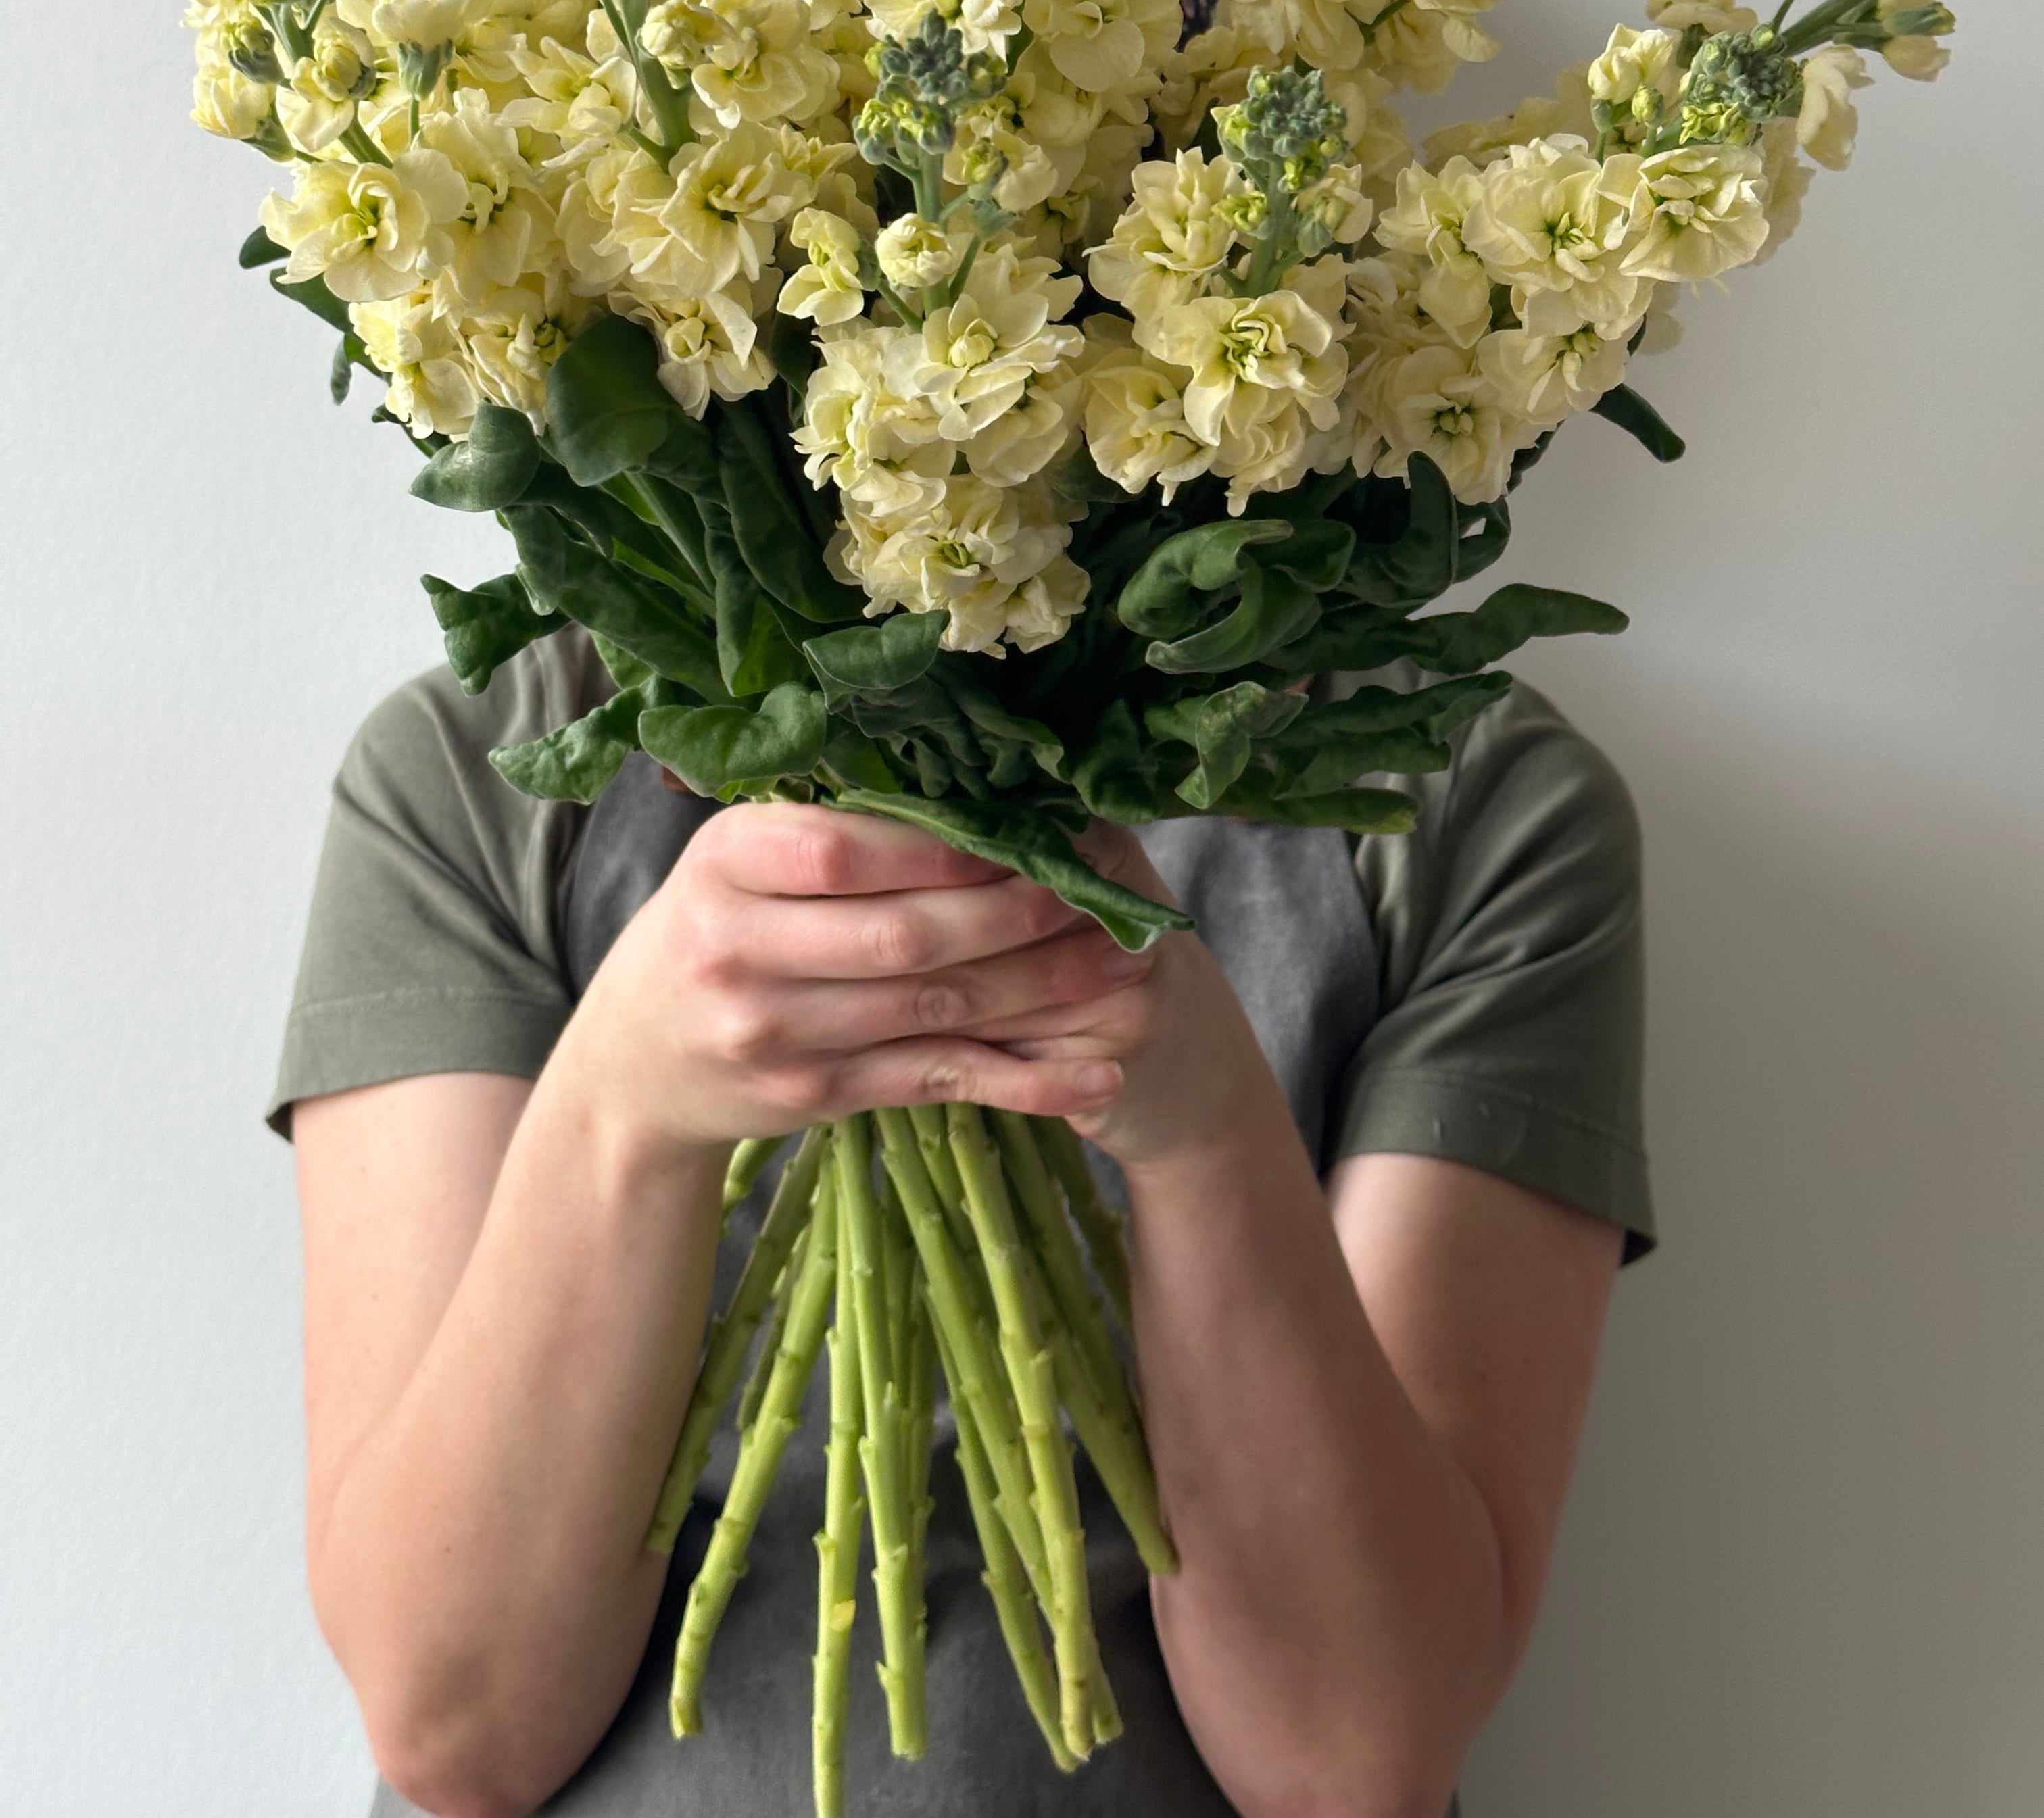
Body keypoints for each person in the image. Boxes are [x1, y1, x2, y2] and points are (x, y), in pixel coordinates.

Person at [278, 624, 1651, 1818]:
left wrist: (1203, 1124)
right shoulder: (487, 773)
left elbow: (1353, 1762)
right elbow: (457, 1729)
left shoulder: (1472, 812)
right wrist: (624, 1112)